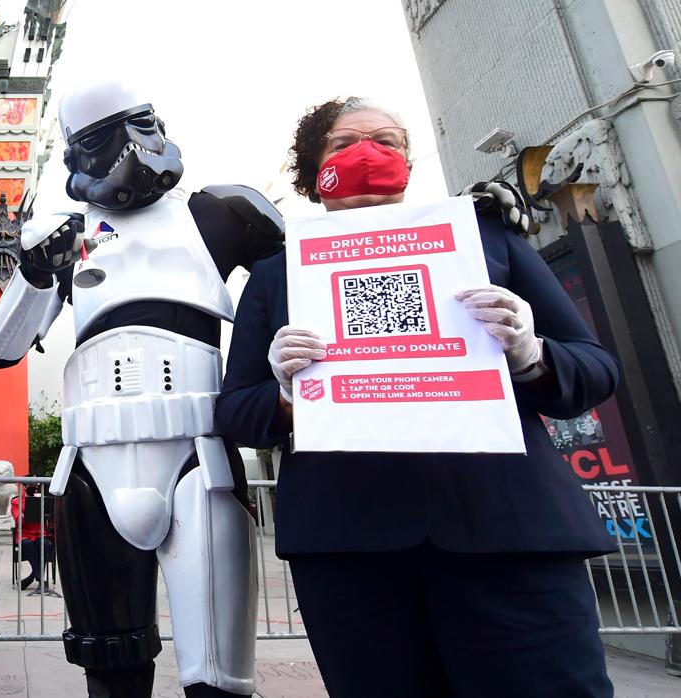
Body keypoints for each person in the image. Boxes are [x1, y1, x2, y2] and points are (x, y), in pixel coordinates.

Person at [215, 96, 619, 697]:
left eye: (389, 140)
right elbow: (237, 412)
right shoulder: (277, 275)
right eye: (346, 142)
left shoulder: (484, 243)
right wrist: (287, 396)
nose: (370, 153)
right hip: (352, 551)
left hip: (510, 537)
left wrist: (534, 355)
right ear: (313, 165)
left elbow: (595, 369)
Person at [0, 79, 284, 697]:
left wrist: (457, 230)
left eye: (137, 127)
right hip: (95, 461)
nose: (129, 151)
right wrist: (38, 272)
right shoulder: (66, 235)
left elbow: (329, 271)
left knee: (220, 674)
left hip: (197, 453)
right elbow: (2, 347)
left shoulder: (224, 214)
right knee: (110, 668)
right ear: (77, 156)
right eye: (102, 141)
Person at [10, 484, 55, 590]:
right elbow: (18, 520)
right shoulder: (17, 501)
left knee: (45, 545)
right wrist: (25, 514)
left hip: (41, 533)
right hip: (25, 535)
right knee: (27, 544)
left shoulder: (43, 500)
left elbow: (51, 518)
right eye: (30, 485)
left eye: (36, 485)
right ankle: (40, 579)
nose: (34, 487)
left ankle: (31, 578)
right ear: (24, 487)